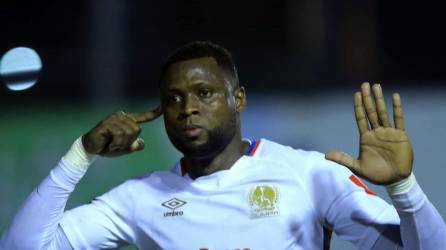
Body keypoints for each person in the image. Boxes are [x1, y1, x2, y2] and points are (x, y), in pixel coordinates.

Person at [1, 41, 445, 250]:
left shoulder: (309, 174)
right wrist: (81, 154)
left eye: (204, 93)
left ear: (239, 99)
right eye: (173, 99)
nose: (187, 109)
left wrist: (404, 188)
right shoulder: (138, 198)